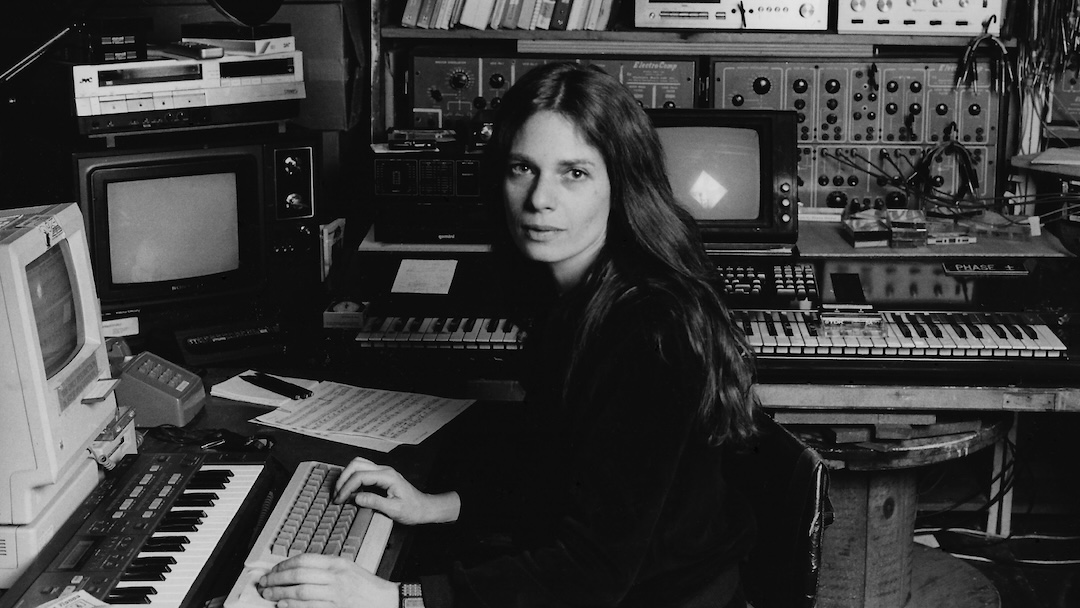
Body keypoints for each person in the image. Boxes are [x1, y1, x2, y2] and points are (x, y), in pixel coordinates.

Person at [256, 61, 760, 608]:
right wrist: (439, 503)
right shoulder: (576, 296)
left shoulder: (651, 330)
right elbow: (563, 475)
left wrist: (397, 599)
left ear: (623, 184)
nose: (540, 198)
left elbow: (593, 572)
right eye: (523, 168)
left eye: (575, 173)